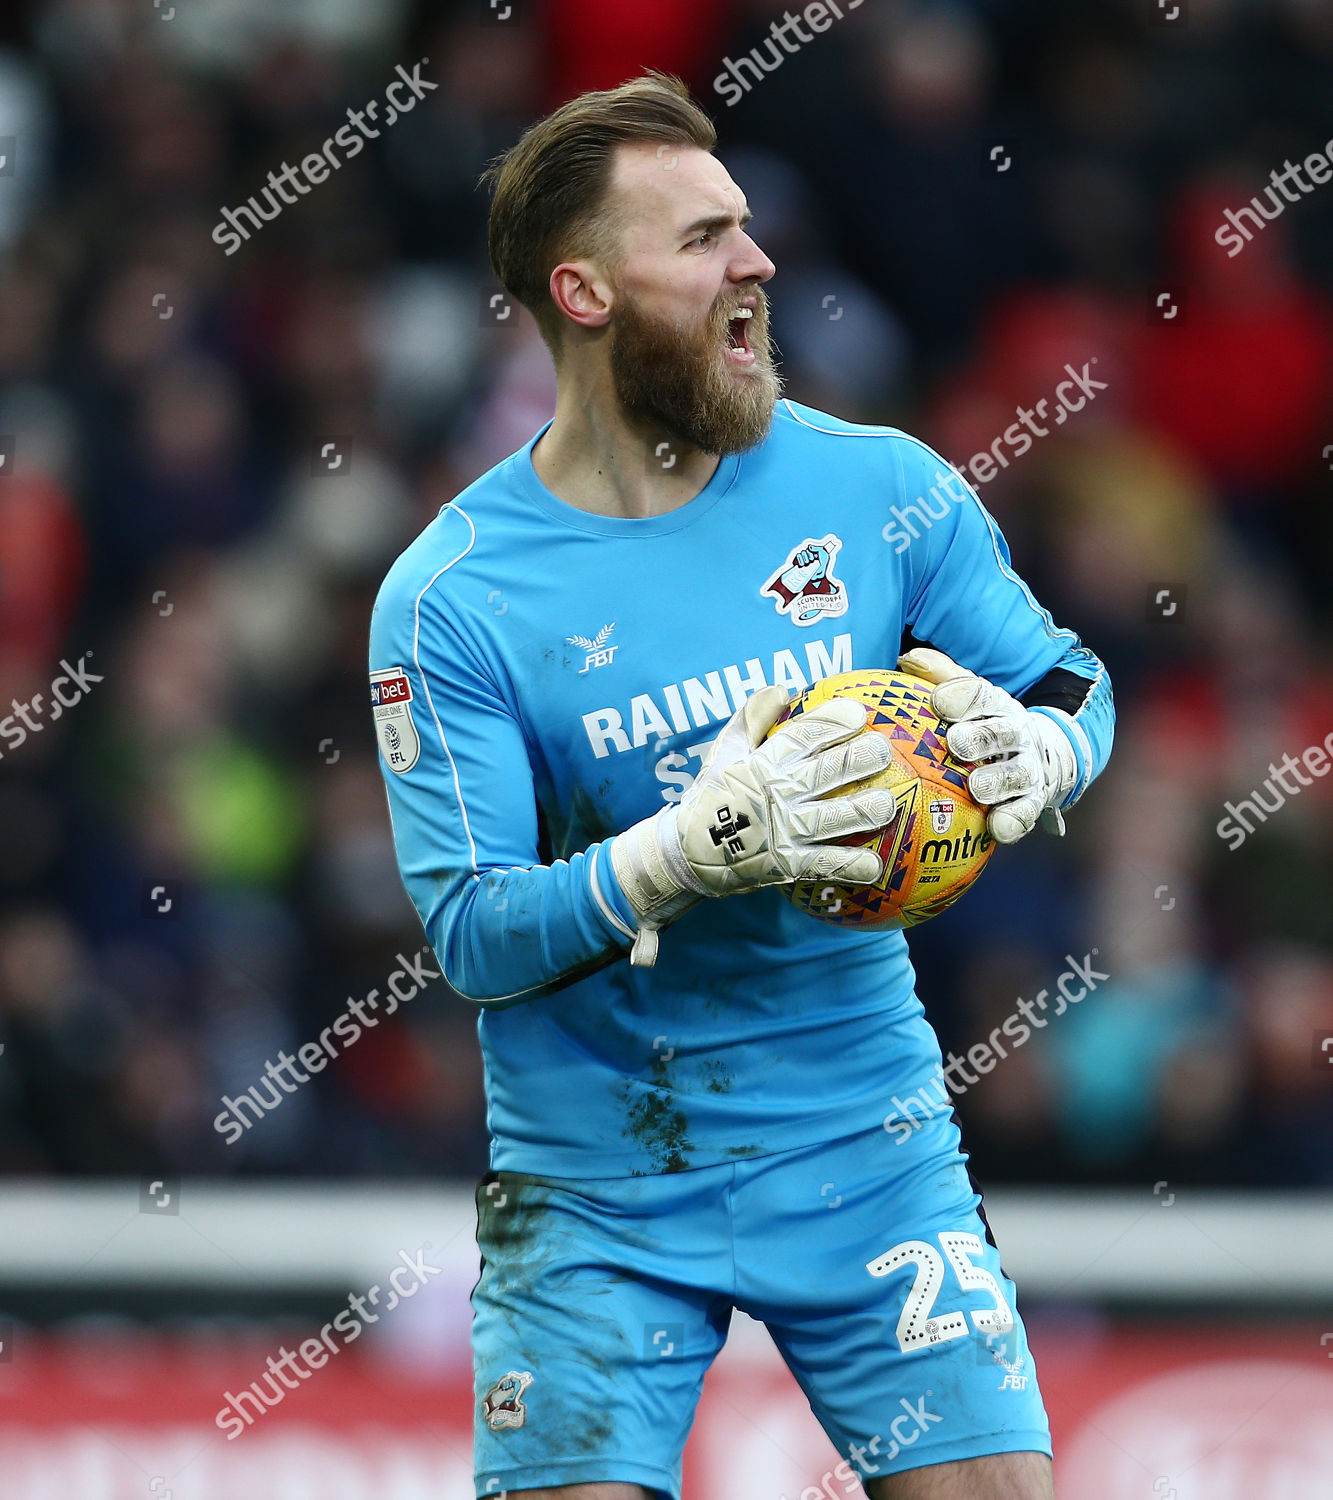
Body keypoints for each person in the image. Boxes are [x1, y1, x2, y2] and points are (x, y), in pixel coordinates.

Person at [369, 70, 1113, 1500]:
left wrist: (1045, 752)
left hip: (864, 1147)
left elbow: (1068, 678)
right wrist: (682, 853)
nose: (756, 262)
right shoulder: (451, 600)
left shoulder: (877, 488)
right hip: (597, 1190)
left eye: (749, 229)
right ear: (584, 293)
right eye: (704, 237)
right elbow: (472, 933)